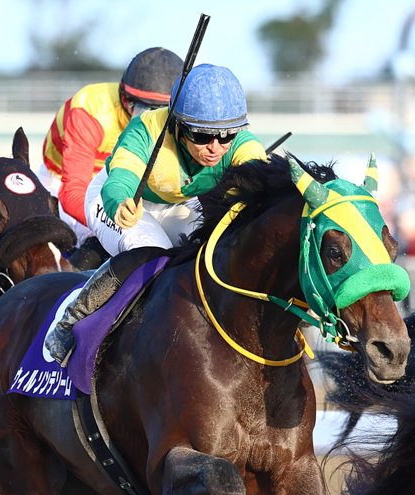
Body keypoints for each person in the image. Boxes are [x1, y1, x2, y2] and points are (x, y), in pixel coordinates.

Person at [45, 63, 267, 366]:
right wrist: (120, 203)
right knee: (153, 253)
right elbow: (119, 181)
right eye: (202, 136)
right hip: (115, 198)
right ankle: (72, 320)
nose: (215, 147)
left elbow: (258, 192)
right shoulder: (146, 130)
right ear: (177, 124)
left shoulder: (243, 146)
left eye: (227, 135)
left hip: (175, 204)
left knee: (205, 252)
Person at [37, 47, 183, 248]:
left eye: (164, 113)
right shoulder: (89, 111)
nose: (153, 120)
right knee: (98, 243)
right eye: (146, 110)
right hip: (64, 184)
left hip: (124, 183)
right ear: (125, 99)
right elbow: (73, 192)